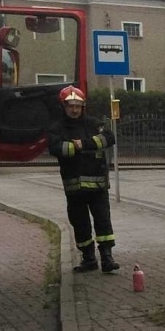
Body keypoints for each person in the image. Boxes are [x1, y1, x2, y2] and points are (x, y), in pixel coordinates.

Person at [47, 85, 119, 273]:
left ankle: (107, 258)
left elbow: (109, 137)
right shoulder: (56, 128)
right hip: (74, 188)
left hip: (97, 185)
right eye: (70, 106)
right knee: (80, 224)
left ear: (83, 106)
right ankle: (89, 259)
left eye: (77, 106)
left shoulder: (94, 124)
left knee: (103, 221)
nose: (74, 109)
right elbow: (55, 148)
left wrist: (84, 144)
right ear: (63, 106)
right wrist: (75, 147)